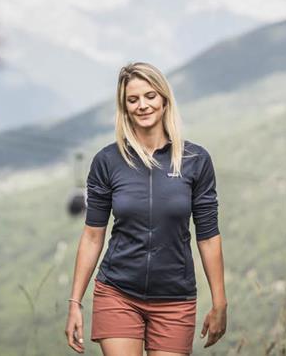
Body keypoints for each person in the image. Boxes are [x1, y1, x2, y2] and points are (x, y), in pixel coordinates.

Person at [65, 62, 227, 355]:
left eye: (150, 96)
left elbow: (208, 236)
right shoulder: (107, 161)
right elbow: (92, 236)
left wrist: (220, 302)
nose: (143, 105)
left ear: (164, 99)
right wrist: (75, 303)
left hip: (175, 299)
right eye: (133, 99)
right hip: (117, 293)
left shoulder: (196, 160)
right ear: (124, 107)